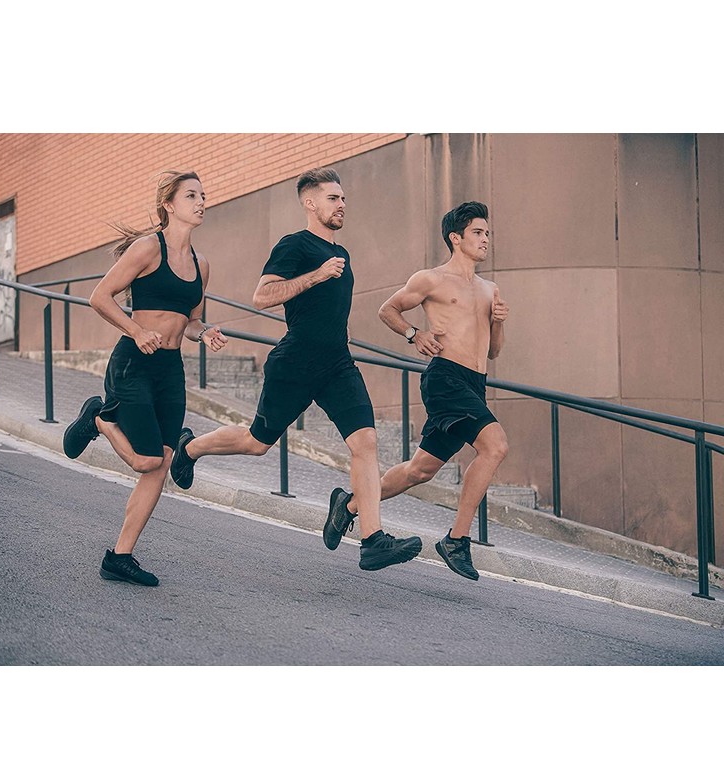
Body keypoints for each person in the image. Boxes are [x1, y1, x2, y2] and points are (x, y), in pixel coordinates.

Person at [170, 167, 422, 571]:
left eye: (343, 198)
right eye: (332, 198)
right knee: (257, 442)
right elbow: (262, 296)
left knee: (366, 443)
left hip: (337, 364)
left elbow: (329, 305)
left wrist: (340, 327)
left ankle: (372, 539)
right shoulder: (295, 245)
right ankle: (190, 447)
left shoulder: (343, 254)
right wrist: (317, 275)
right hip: (296, 362)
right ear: (310, 203)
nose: (342, 205)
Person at [322, 201, 509, 581]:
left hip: (475, 383)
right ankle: (457, 540)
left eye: (487, 233)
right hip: (445, 379)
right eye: (477, 232)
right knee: (495, 446)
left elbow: (493, 352)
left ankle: (350, 505)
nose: (485, 239)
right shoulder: (432, 279)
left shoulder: (490, 290)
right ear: (455, 238)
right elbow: (388, 309)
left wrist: (498, 323)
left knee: (420, 470)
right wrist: (415, 334)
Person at [62, 170, 228, 586]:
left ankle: (119, 557)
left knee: (162, 463)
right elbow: (99, 297)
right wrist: (136, 331)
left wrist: (204, 332)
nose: (201, 202)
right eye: (191, 196)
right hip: (134, 362)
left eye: (203, 196)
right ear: (169, 205)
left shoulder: (201, 264)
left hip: (170, 369)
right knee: (146, 460)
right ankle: (99, 419)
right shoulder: (147, 249)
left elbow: (191, 320)